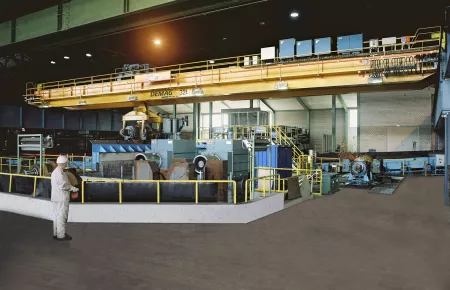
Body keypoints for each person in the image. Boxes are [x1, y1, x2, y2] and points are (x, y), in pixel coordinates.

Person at [51, 155, 78, 241]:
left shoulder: (55, 172)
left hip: (56, 197)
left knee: (56, 216)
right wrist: (73, 188)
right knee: (61, 216)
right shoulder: (59, 174)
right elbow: (63, 186)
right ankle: (61, 235)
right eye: (66, 163)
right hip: (61, 198)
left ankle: (56, 233)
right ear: (63, 163)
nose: (66, 164)